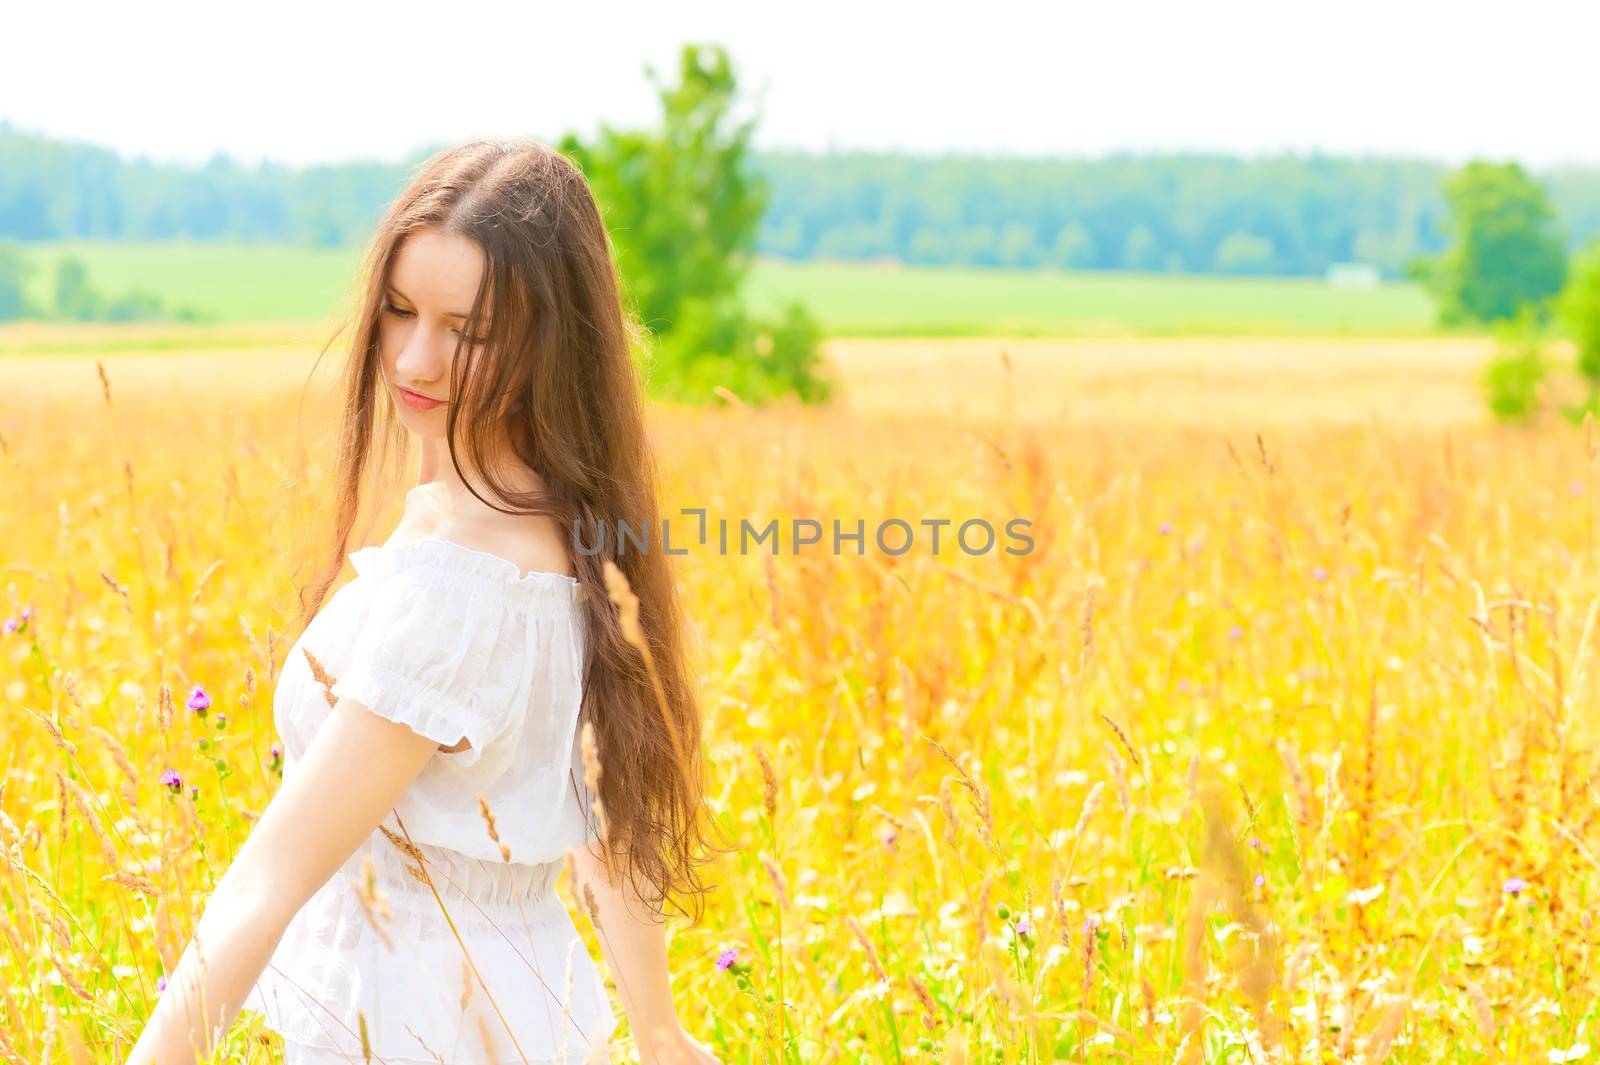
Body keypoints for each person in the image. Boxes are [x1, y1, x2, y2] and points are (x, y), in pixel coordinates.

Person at [126, 140, 726, 1065]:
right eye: (401, 310)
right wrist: (656, 1026)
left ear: (549, 341)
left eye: (468, 332)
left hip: (412, 1018)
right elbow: (601, 798)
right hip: (513, 1001)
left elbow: (272, 875)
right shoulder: (568, 529)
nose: (415, 357)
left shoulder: (463, 589)